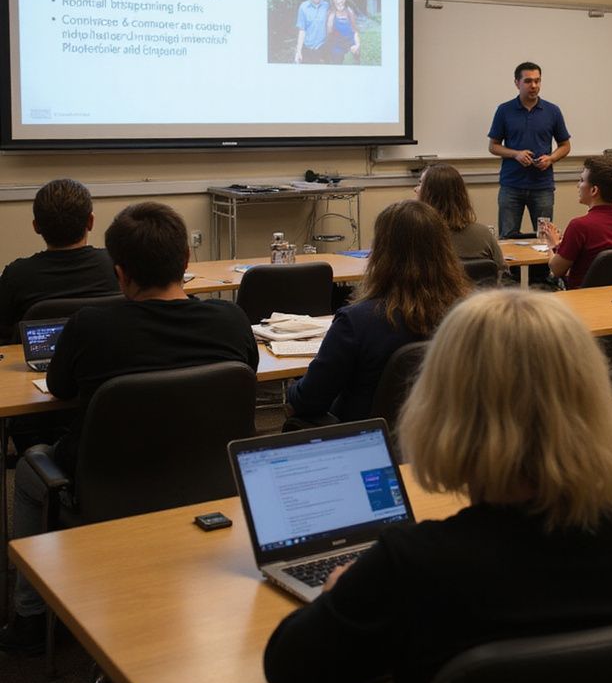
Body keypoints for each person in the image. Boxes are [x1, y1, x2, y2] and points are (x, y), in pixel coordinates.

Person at [264, 289, 612, 683]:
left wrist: (340, 592)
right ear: (593, 396)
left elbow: (288, 668)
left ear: (439, 408)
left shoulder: (411, 564)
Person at [0, 202, 259, 655]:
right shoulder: (232, 320)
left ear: (119, 274)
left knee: (27, 470)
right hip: (211, 479)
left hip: (107, 484)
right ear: (186, 262)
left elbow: (59, 388)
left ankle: (29, 617)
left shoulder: (92, 325)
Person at [286, 200, 471, 423]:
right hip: (441, 440)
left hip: (369, 443)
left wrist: (292, 386)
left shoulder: (357, 322)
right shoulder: (466, 315)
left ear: (380, 254)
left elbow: (309, 400)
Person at [0, 178, 118, 344]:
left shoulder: (16, 276)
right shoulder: (118, 264)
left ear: (36, 227)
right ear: (90, 222)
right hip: (108, 363)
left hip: (37, 369)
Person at [487, 61, 571, 238]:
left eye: (537, 81)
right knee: (507, 238)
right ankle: (511, 268)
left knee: (544, 238)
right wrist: (516, 154)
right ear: (517, 83)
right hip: (511, 185)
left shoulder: (552, 111)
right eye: (528, 81)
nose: (533, 86)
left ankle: (541, 268)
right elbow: (493, 146)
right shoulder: (504, 110)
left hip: (542, 186)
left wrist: (551, 158)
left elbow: (565, 146)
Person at [546, 155, 612, 289]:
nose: (577, 185)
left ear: (594, 190)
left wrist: (553, 245)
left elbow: (556, 270)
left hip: (581, 298)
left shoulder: (579, 226)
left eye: (581, 180)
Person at [415, 163, 505, 271]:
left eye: (421, 184)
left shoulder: (415, 236)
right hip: (478, 288)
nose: (415, 189)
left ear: (430, 194)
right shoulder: (483, 234)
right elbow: (502, 272)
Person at [294, 0, 329, 64]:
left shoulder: (327, 6)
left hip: (323, 48)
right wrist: (298, 51)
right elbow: (302, 30)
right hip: (307, 49)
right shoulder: (303, 7)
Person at [326, 0, 361, 65]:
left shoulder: (350, 11)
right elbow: (329, 33)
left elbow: (355, 31)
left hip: (351, 45)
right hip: (337, 47)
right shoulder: (330, 13)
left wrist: (357, 45)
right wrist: (332, 16)